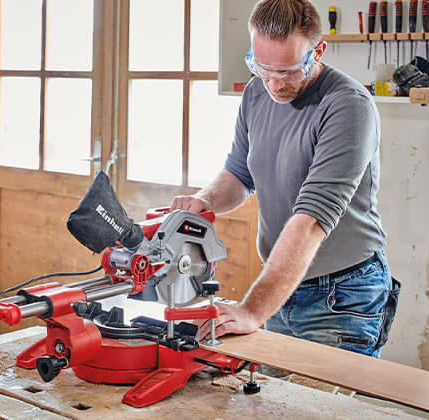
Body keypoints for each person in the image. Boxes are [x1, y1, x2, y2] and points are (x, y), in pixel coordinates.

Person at [170, 0, 398, 357]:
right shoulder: (255, 93)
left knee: (321, 409)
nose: (275, 84)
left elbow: (311, 220)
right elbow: (239, 172)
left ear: (318, 51)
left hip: (342, 294)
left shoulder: (348, 106)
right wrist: (206, 201)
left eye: (290, 71)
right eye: (262, 68)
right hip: (282, 284)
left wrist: (251, 311)